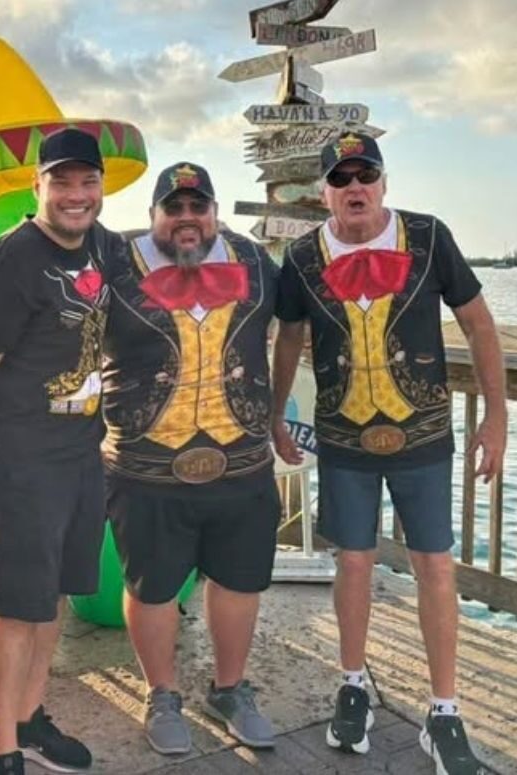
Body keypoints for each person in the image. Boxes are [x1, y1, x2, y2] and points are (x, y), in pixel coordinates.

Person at [272, 132, 506, 775]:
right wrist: (275, 414)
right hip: (343, 438)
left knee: (435, 565)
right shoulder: (302, 256)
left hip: (423, 435)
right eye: (340, 178)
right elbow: (288, 337)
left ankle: (444, 711)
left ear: (383, 182)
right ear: (324, 193)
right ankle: (352, 685)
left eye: (365, 175)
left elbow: (478, 323)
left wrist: (496, 415)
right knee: (352, 561)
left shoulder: (428, 237)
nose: (355, 187)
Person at [0, 128, 120, 775]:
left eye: (87, 181)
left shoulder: (104, 245)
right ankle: (2, 748)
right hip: (23, 462)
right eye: (62, 181)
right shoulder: (11, 259)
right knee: (20, 608)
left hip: (82, 452)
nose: (76, 194)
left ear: (100, 186)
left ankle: (29, 715)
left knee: (54, 597)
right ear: (37, 185)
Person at [101, 162, 281, 756]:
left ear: (214, 214)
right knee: (151, 586)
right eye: (172, 208)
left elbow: (305, 325)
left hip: (241, 462)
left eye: (197, 207)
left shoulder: (256, 262)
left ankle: (229, 689)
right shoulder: (114, 264)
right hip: (146, 465)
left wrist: (283, 418)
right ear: (152, 215)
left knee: (239, 580)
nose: (186, 218)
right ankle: (162, 694)